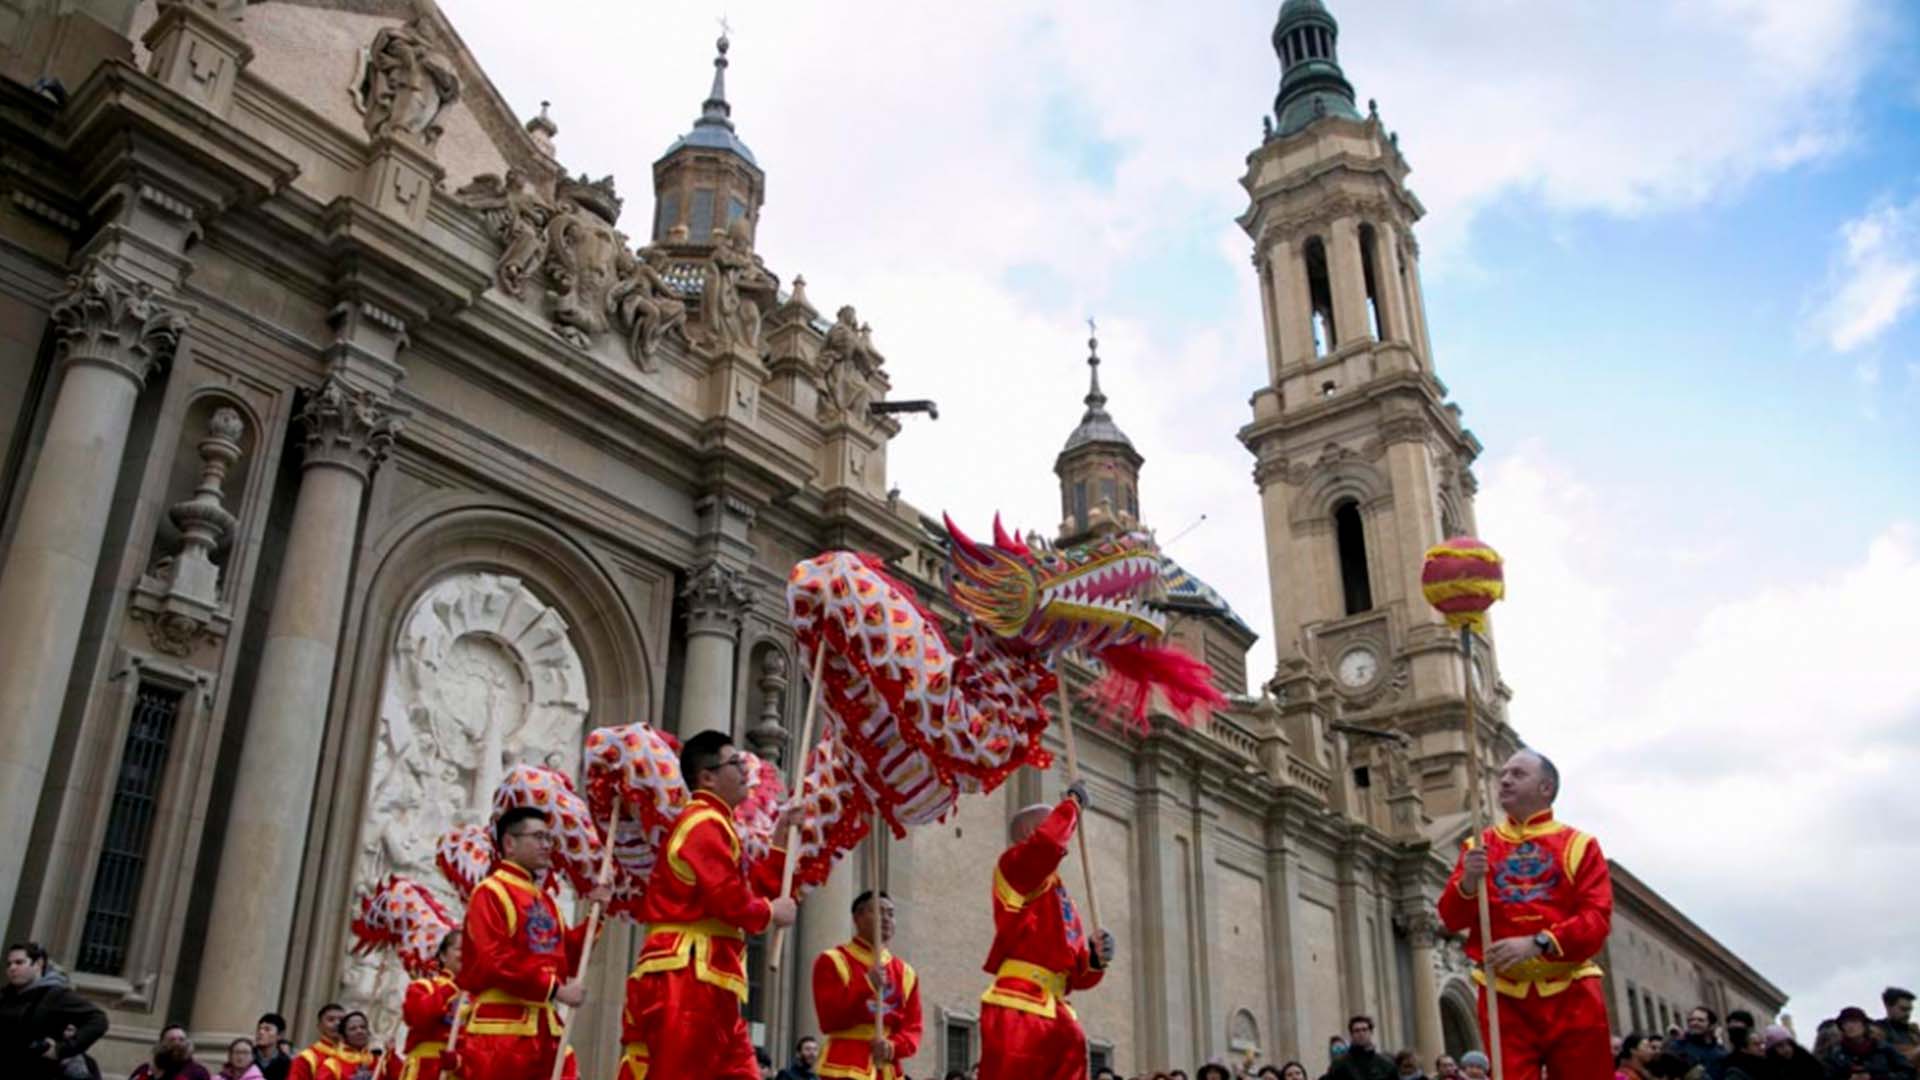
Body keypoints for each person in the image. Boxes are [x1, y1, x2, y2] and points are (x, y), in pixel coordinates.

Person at [621, 730, 799, 1080]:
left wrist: (780, 842)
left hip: (710, 974)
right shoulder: (703, 823)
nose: (745, 769)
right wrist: (769, 912)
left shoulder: (719, 825)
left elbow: (744, 891)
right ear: (707, 777)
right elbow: (729, 900)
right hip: (686, 974)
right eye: (734, 762)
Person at [1438, 750, 1613, 1080]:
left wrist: (1539, 942)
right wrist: (1468, 881)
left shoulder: (1579, 844)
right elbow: (1450, 918)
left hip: (1571, 992)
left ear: (1546, 788)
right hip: (1504, 996)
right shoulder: (1478, 845)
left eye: (1518, 774)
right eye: (1502, 773)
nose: (1504, 780)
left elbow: (1597, 919)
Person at [455, 805, 609, 1080]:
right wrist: (555, 990)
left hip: (543, 1027)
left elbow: (567, 957)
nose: (546, 845)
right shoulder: (490, 892)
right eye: (538, 837)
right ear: (510, 843)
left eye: (549, 838)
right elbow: (494, 961)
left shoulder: (545, 899)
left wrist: (596, 915)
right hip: (502, 1032)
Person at [976, 784, 1115, 1080]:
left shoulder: (1060, 893)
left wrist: (1095, 959)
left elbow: (1076, 974)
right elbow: (1048, 845)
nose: (1063, 830)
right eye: (1050, 821)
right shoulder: (1014, 866)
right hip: (1019, 1005)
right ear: (1028, 833)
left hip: (1058, 1010)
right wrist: (1071, 806)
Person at [813, 890, 923, 1080]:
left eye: (891, 913)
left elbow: (913, 1027)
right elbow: (829, 1018)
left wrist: (893, 1046)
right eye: (879, 912)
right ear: (858, 917)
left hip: (888, 1067)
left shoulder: (906, 972)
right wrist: (865, 984)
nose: (886, 919)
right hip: (845, 1065)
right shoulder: (833, 960)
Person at [1, 941, 108, 1080]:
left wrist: (61, 1049)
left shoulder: (55, 995)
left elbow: (98, 1020)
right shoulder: (5, 995)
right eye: (9, 964)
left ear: (38, 964)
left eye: (19, 962)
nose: (12, 968)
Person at [395, 930, 462, 1080]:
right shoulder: (424, 986)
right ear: (443, 956)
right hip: (427, 1069)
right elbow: (420, 1017)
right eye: (460, 949)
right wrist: (453, 987)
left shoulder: (478, 994)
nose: (466, 954)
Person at [1825, 1007, 1915, 1080]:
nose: (1850, 1026)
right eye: (1845, 1023)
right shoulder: (1835, 1054)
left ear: (1864, 1025)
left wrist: (1877, 1077)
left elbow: (1909, 1072)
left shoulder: (1884, 1048)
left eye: (1854, 1021)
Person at [129, 1025, 213, 1080]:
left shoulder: (198, 1072)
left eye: (181, 1039)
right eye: (172, 1040)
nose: (177, 1044)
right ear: (161, 1044)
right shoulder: (145, 1070)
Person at [287, 1004, 346, 1080]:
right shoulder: (306, 1058)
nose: (338, 1023)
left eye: (342, 1020)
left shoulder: (355, 1055)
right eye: (331, 1020)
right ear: (319, 1026)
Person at [314, 1013, 376, 1080]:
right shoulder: (332, 1065)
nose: (359, 1031)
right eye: (353, 1029)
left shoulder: (378, 1061)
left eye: (363, 1027)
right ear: (342, 1037)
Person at [1328, 1017, 1395, 1080]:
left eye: (1364, 1030)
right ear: (1351, 1034)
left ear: (1371, 1032)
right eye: (1357, 1031)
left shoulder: (1386, 1065)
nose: (1361, 1033)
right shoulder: (1339, 1065)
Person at [1672, 1010, 1728, 1077]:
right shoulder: (1678, 1048)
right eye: (1691, 1020)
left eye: (1700, 1020)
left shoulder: (1721, 1054)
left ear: (1711, 1025)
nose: (1694, 1023)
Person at [1880, 990, 1919, 1067]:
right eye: (1903, 1009)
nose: (1908, 1014)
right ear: (1888, 1006)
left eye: (1909, 1010)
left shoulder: (1913, 1031)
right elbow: (1889, 1060)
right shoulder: (1877, 1030)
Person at [255, 1015, 292, 1080]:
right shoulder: (247, 1056)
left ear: (280, 1035)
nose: (261, 1032)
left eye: (267, 1029)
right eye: (259, 1029)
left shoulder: (286, 1063)